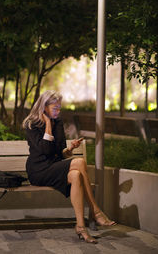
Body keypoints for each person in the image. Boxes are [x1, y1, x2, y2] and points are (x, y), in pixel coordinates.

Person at [22, 90, 115, 244]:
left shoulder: (58, 122)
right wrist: (47, 125)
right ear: (44, 107)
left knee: (76, 175)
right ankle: (95, 211)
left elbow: (58, 153)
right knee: (79, 162)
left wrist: (70, 149)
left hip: (53, 167)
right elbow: (45, 149)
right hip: (38, 171)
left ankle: (81, 227)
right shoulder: (31, 124)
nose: (58, 111)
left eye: (59, 108)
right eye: (55, 108)